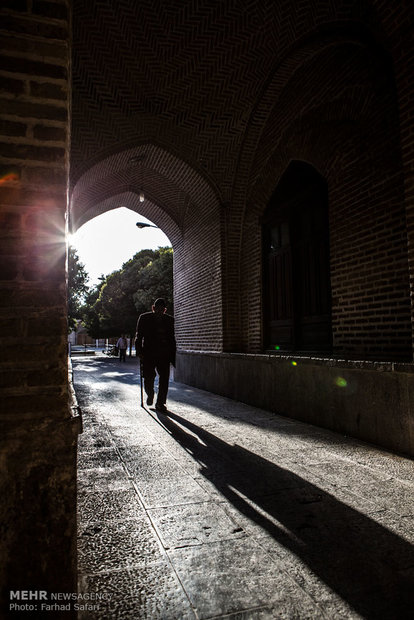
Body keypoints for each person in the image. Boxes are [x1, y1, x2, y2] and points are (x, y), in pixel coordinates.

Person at [135, 298, 176, 412]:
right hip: (148, 354)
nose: (159, 311)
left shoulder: (169, 320)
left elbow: (172, 339)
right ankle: (150, 393)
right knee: (148, 377)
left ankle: (160, 403)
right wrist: (139, 352)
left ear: (165, 310)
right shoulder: (144, 318)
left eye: (162, 310)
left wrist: (173, 356)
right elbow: (139, 337)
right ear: (153, 308)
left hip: (164, 354)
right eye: (157, 309)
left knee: (164, 379)